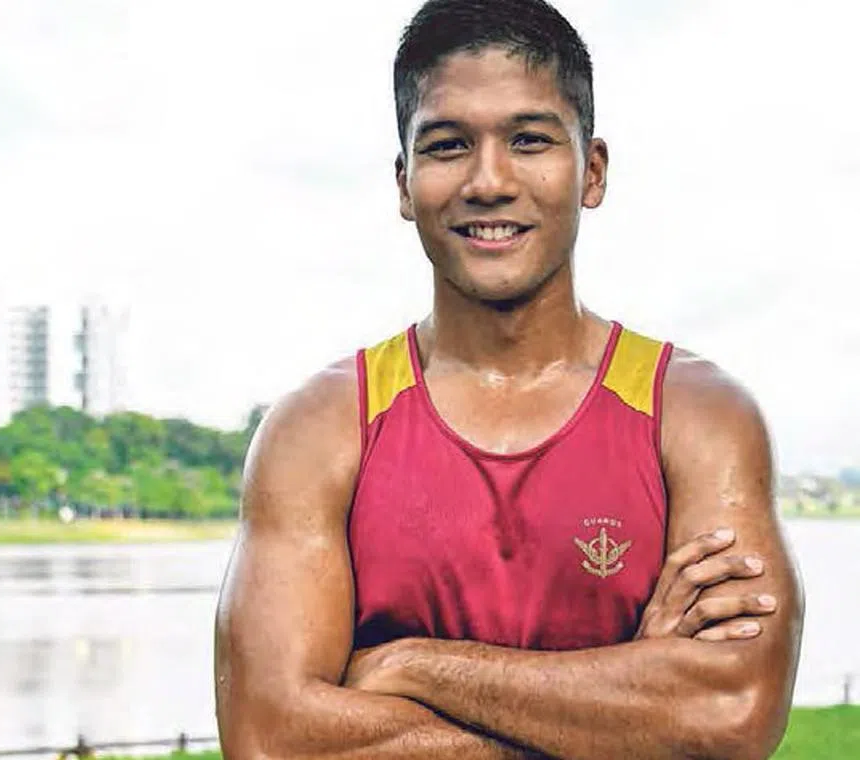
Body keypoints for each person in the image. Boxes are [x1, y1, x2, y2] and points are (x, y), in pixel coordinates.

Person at [213, 0, 804, 757]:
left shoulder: (697, 418)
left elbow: (730, 713)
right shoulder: (319, 431)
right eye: (448, 146)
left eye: (529, 140)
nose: (488, 181)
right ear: (405, 183)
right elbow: (271, 738)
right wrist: (626, 704)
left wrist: (410, 666)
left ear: (592, 171)